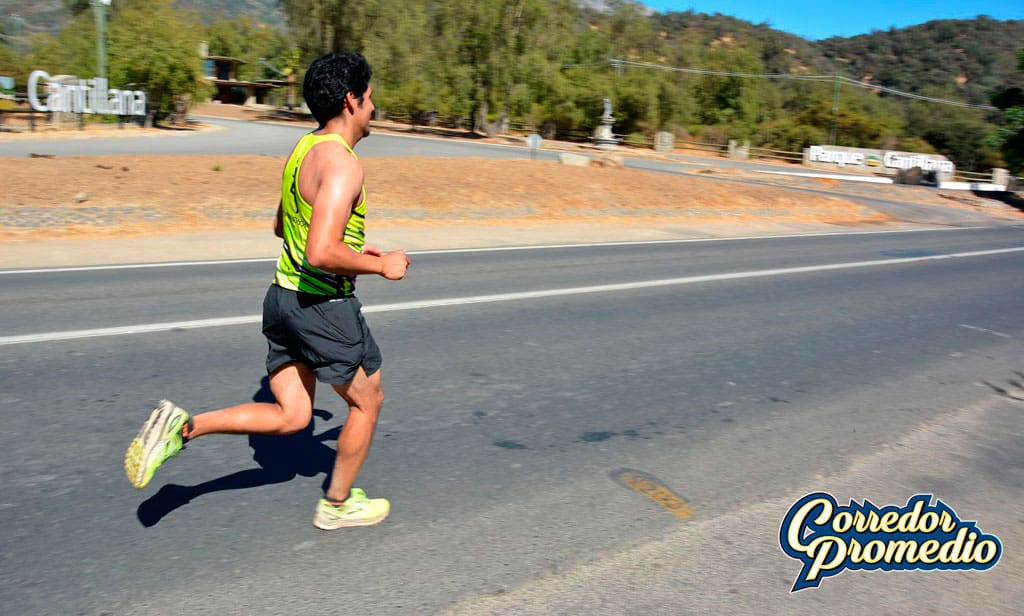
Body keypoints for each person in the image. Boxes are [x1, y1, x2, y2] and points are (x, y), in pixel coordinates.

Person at [124, 51, 410, 530]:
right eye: (371, 96)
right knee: (368, 401)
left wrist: (353, 248)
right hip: (323, 306)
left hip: (283, 299)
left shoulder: (304, 150)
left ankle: (183, 427)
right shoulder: (343, 166)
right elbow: (320, 251)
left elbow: (283, 225)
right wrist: (378, 265)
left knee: (294, 415)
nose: (375, 107)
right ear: (351, 100)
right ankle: (337, 505)